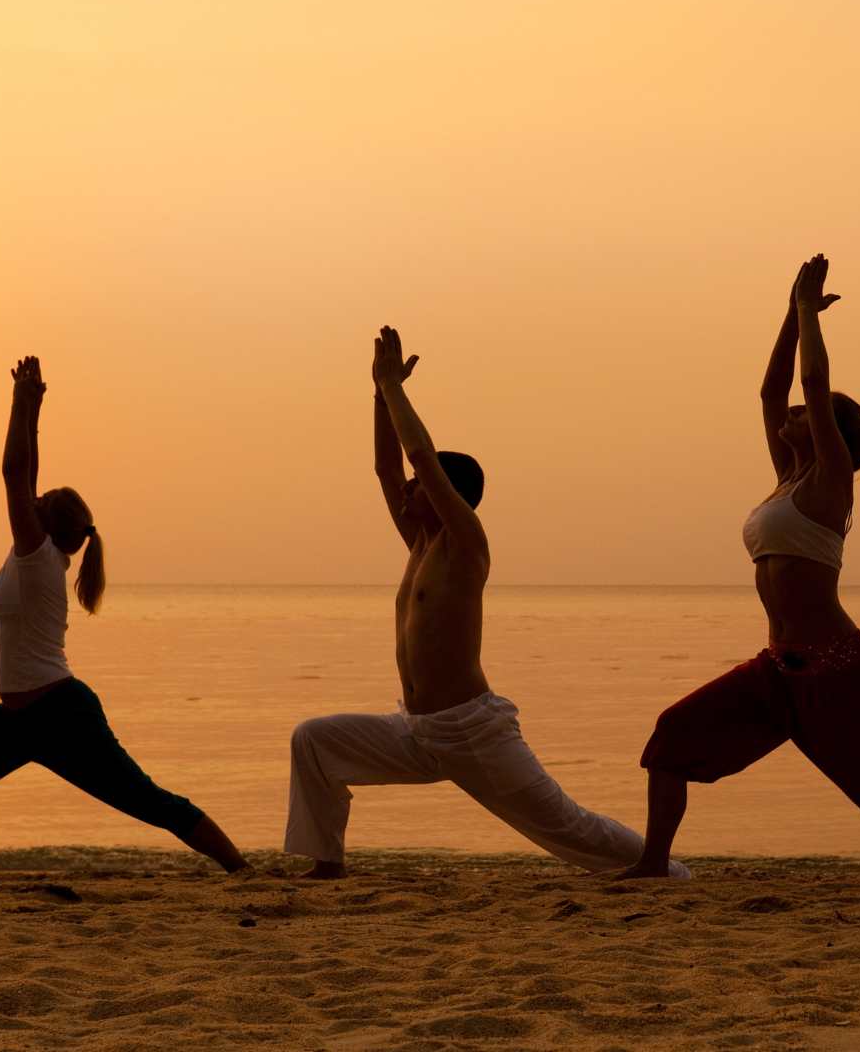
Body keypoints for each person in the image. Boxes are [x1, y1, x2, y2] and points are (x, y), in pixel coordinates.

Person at [618, 256, 860, 881]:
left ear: (830, 433)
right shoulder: (785, 478)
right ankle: (654, 863)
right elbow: (771, 392)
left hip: (841, 670)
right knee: (673, 737)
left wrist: (808, 313)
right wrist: (788, 314)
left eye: (805, 414)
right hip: (778, 670)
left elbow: (815, 389)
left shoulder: (831, 479)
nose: (791, 413)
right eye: (794, 414)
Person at [285, 326, 686, 879]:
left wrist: (396, 389)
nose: (405, 490)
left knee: (566, 826)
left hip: (472, 732)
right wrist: (379, 396)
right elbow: (387, 468)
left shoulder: (465, 543)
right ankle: (327, 864)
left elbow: (420, 456)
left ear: (447, 494)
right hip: (418, 731)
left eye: (418, 486)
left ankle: (664, 870)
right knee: (315, 740)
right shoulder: (420, 545)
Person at [0, 357, 248, 877]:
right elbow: (28, 476)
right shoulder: (36, 555)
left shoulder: (38, 558)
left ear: (45, 523)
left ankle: (239, 866)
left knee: (145, 799)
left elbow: (13, 473)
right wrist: (35, 409)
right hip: (26, 719)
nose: (31, 499)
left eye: (38, 502)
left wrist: (18, 403)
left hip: (60, 716)